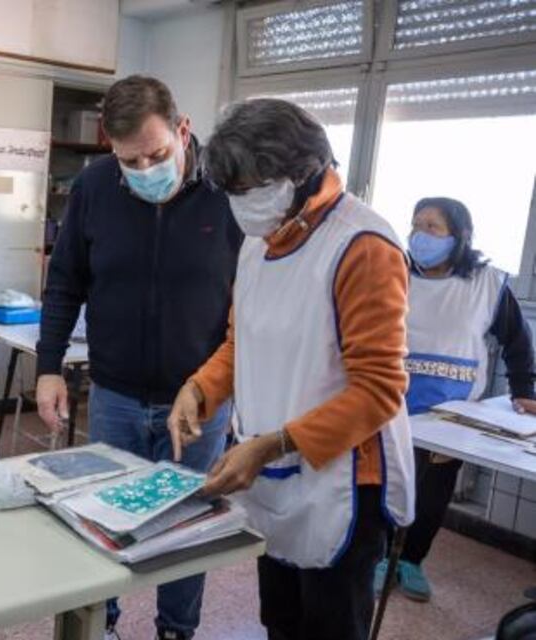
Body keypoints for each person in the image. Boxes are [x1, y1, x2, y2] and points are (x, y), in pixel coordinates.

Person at [168, 98, 416, 640]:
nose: (243, 205)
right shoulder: (261, 241)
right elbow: (243, 342)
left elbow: (380, 390)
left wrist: (273, 444)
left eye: (253, 188)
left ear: (304, 173)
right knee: (281, 620)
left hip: (344, 480)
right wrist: (199, 389)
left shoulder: (362, 245)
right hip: (276, 471)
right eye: (233, 192)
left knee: (328, 626)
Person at [36, 75, 242, 640]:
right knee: (103, 522)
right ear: (110, 148)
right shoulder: (97, 186)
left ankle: (177, 630)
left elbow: (251, 306)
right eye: (130, 159)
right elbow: (64, 283)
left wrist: (216, 385)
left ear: (183, 129)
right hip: (115, 396)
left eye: (156, 153)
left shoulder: (228, 193)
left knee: (187, 530)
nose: (145, 169)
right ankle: (100, 625)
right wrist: (49, 366)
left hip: (200, 399)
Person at [374, 197, 536, 602]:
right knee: (383, 486)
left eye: (433, 227)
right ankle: (380, 559)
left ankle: (411, 561)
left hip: (452, 414)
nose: (420, 235)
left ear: (458, 236)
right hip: (391, 405)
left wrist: (524, 391)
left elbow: (517, 339)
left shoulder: (487, 283)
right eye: (416, 224)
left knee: (431, 496)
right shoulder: (393, 271)